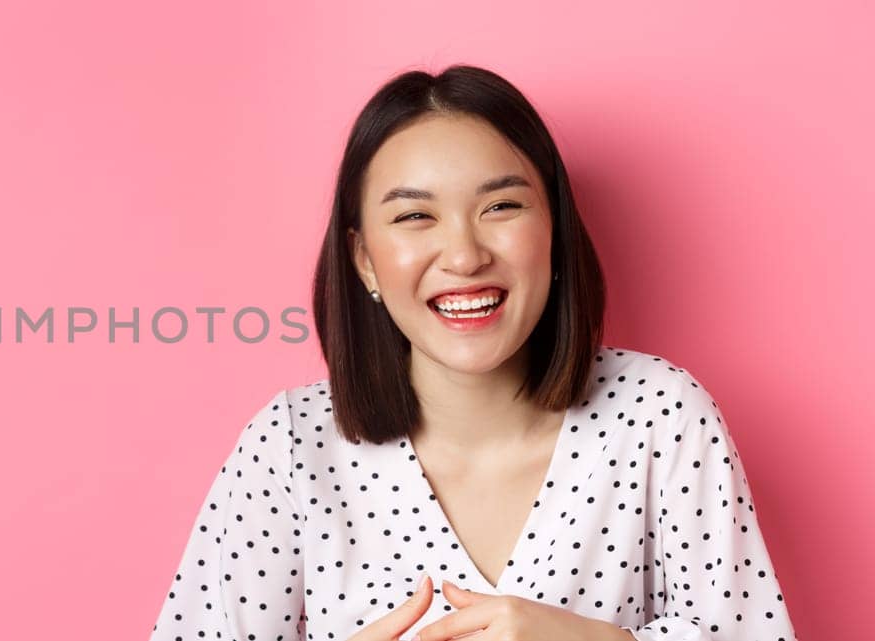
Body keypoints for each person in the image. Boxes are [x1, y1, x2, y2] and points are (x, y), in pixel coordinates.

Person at [146, 65, 796, 641]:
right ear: (365, 260)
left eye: (502, 206)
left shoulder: (661, 415)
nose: (464, 256)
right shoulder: (290, 448)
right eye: (414, 217)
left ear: (555, 233)